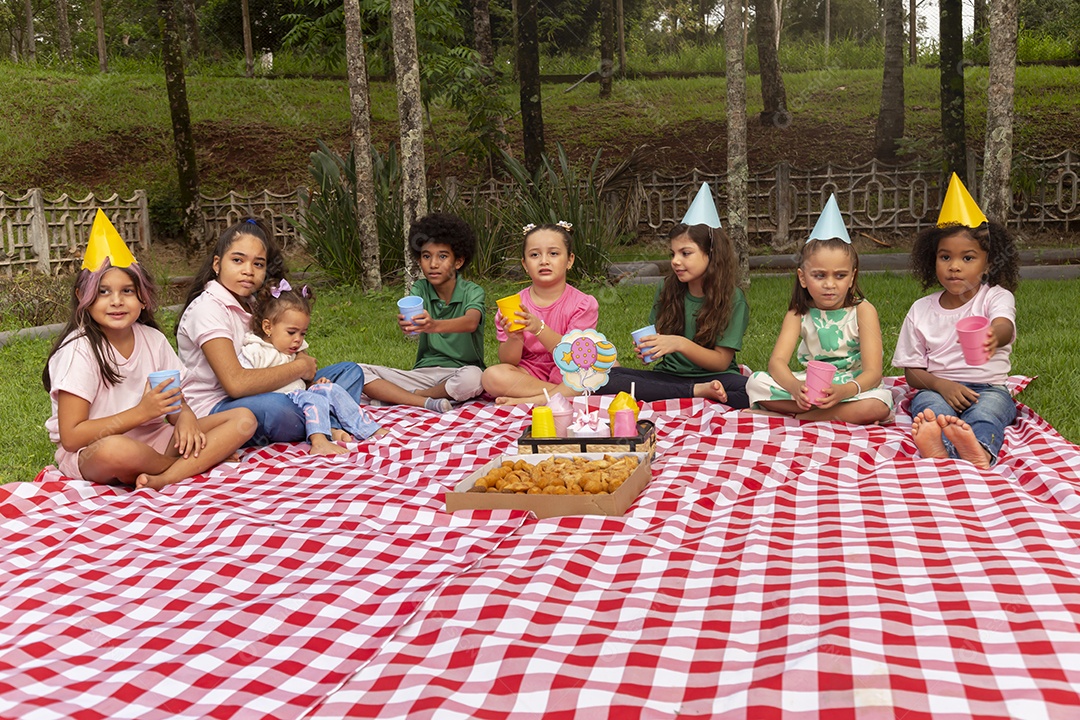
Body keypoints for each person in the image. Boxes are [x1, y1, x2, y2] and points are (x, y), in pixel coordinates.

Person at [43, 210, 254, 490]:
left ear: (143, 298)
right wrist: (142, 413)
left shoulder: (152, 339)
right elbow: (71, 437)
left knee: (243, 419)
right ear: (84, 297)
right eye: (103, 292)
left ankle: (165, 474)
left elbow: (173, 400)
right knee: (116, 450)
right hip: (94, 451)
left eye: (127, 291)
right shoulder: (78, 351)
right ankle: (187, 466)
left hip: (157, 438)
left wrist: (186, 419)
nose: (116, 301)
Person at [176, 218, 367, 446]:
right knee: (279, 410)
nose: (248, 271)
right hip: (220, 407)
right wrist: (299, 367)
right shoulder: (208, 309)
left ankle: (324, 422)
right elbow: (235, 384)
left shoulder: (254, 302)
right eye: (237, 260)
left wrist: (304, 364)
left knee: (350, 372)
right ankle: (328, 423)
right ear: (217, 264)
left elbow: (288, 347)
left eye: (258, 264)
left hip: (272, 387)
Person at [893, 173, 1021, 469]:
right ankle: (945, 448)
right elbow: (912, 371)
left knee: (988, 413)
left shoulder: (995, 297)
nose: (954, 267)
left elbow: (1005, 325)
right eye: (945, 257)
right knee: (929, 410)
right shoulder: (921, 309)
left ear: (988, 263)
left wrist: (994, 336)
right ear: (932, 259)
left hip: (988, 387)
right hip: (936, 386)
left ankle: (979, 452)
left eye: (968, 258)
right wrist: (941, 385)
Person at [745, 195, 892, 423]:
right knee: (755, 382)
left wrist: (845, 391)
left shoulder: (863, 311)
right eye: (819, 275)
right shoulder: (798, 313)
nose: (830, 284)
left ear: (852, 277)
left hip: (852, 386)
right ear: (803, 278)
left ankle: (797, 418)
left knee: (878, 405)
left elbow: (873, 372)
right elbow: (777, 362)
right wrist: (795, 387)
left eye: (840, 275)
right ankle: (818, 414)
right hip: (810, 384)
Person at [359, 213, 486, 413]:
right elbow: (413, 326)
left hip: (460, 371)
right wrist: (409, 324)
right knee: (357, 371)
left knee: (475, 378)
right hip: (422, 373)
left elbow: (471, 322)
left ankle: (412, 397)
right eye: (426, 256)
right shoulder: (420, 289)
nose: (433, 264)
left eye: (442, 256)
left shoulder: (473, 291)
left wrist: (433, 325)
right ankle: (428, 398)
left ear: (458, 262)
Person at [242, 281, 384, 455]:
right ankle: (320, 440)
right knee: (314, 401)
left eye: (303, 333)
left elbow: (302, 379)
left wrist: (315, 383)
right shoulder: (255, 351)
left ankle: (365, 429)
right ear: (268, 327)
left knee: (338, 384)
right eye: (291, 332)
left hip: (302, 395)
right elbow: (247, 384)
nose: (298, 339)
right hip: (282, 404)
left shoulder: (290, 347)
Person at [482, 221, 599, 403]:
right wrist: (514, 338)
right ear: (525, 264)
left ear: (569, 260)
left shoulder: (583, 304)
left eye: (553, 253)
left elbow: (575, 356)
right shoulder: (513, 305)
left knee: (594, 369)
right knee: (492, 376)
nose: (544, 261)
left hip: (567, 370)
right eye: (535, 255)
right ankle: (561, 395)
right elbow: (509, 361)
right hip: (530, 374)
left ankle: (529, 400)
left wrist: (539, 328)